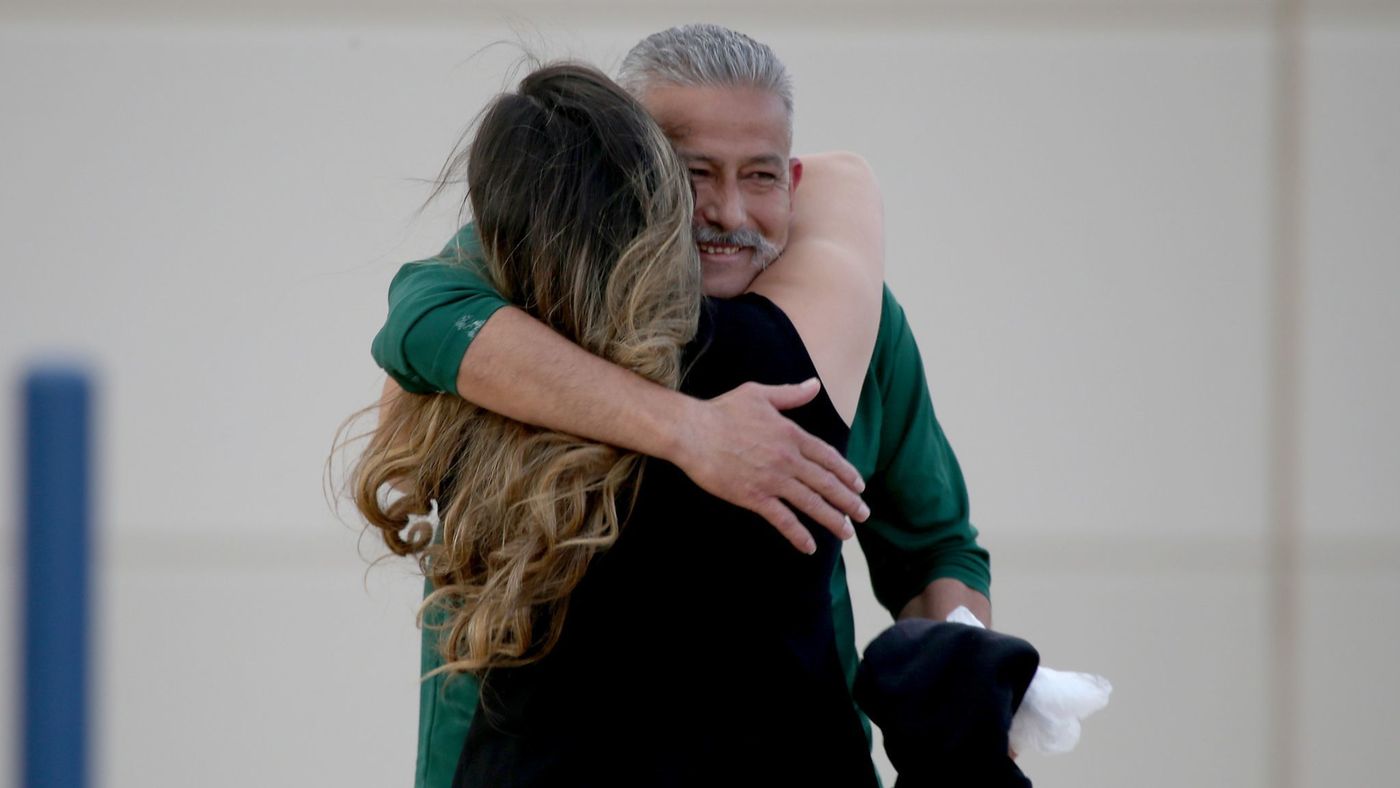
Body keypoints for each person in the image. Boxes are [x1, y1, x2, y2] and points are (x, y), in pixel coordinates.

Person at [373, 25, 993, 787]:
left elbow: (933, 548)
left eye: (761, 177)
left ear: (793, 178)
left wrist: (970, 693)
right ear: (625, 172)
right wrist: (692, 431)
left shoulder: (864, 329)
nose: (730, 213)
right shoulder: (532, 286)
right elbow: (418, 315)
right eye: (694, 172)